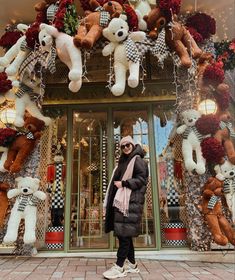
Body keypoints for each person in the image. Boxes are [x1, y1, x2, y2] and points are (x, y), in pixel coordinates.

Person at [103, 135, 149, 279]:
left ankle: (119, 266)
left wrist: (124, 184)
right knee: (125, 234)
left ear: (133, 145)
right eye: (123, 146)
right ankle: (133, 264)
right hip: (122, 202)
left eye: (128, 145)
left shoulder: (138, 160)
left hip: (130, 203)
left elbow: (142, 180)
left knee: (123, 235)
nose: (126, 148)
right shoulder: (123, 161)